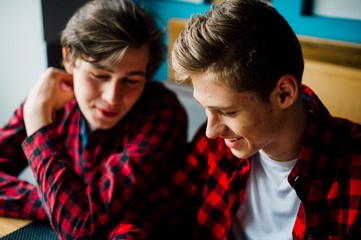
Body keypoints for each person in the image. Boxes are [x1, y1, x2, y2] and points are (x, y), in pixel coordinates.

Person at [170, 0, 361, 239]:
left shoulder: (354, 174)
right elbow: (158, 207)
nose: (211, 131)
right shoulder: (217, 144)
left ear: (284, 93)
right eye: (206, 108)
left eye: (228, 112)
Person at [0, 0, 188, 239]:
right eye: (99, 75)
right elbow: (76, 217)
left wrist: (37, 121)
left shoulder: (163, 113)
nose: (112, 98)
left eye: (131, 80)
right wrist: (58, 205)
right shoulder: (47, 102)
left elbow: (79, 224)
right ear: (69, 59)